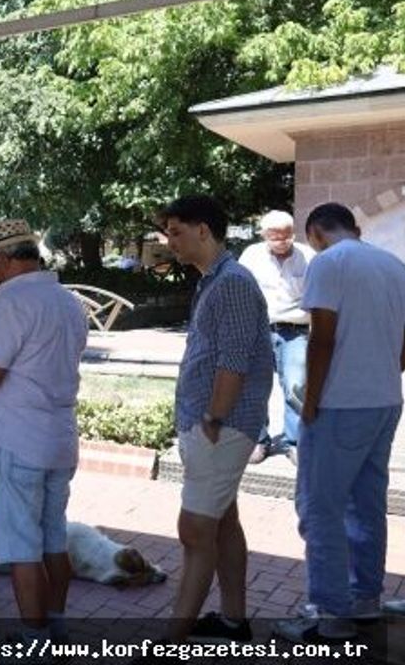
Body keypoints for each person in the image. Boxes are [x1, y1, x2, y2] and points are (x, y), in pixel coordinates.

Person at [275, 203, 405, 644]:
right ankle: (365, 598)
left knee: (320, 508)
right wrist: (385, 372)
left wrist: (310, 402)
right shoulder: (393, 265)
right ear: (355, 227)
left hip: (339, 406)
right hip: (385, 400)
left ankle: (327, 611)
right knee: (367, 503)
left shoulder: (328, 263)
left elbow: (322, 337)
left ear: (314, 232)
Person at [0, 219, 88, 640]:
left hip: (17, 440)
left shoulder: (12, 304)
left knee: (21, 550)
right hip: (60, 439)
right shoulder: (68, 301)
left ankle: (35, 640)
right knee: (54, 538)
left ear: (8, 258)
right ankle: (56, 623)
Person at [159, 195, 272, 644]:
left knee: (194, 529)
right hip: (214, 425)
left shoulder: (233, 282)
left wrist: (212, 418)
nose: (169, 241)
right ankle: (232, 621)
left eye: (176, 231)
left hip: (221, 427)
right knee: (223, 522)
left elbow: (235, 362)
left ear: (203, 229)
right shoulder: (215, 279)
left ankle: (170, 642)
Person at [238, 210, 315, 465]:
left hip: (295, 329)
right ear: (264, 235)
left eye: (286, 236)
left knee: (296, 385)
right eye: (275, 237)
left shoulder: (308, 256)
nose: (281, 242)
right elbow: (240, 290)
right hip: (258, 328)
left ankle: (295, 442)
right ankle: (258, 440)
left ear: (293, 233)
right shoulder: (251, 256)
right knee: (253, 386)